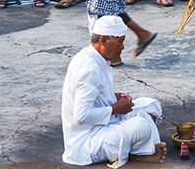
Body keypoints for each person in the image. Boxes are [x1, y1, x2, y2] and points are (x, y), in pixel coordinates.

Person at [60, 16, 166, 166]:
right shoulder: (89, 68)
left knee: (151, 105)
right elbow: (81, 116)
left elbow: (96, 94)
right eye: (120, 41)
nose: (123, 47)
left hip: (107, 123)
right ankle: (142, 152)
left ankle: (138, 150)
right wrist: (116, 108)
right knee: (140, 125)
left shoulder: (96, 57)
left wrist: (113, 97)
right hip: (89, 142)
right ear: (104, 41)